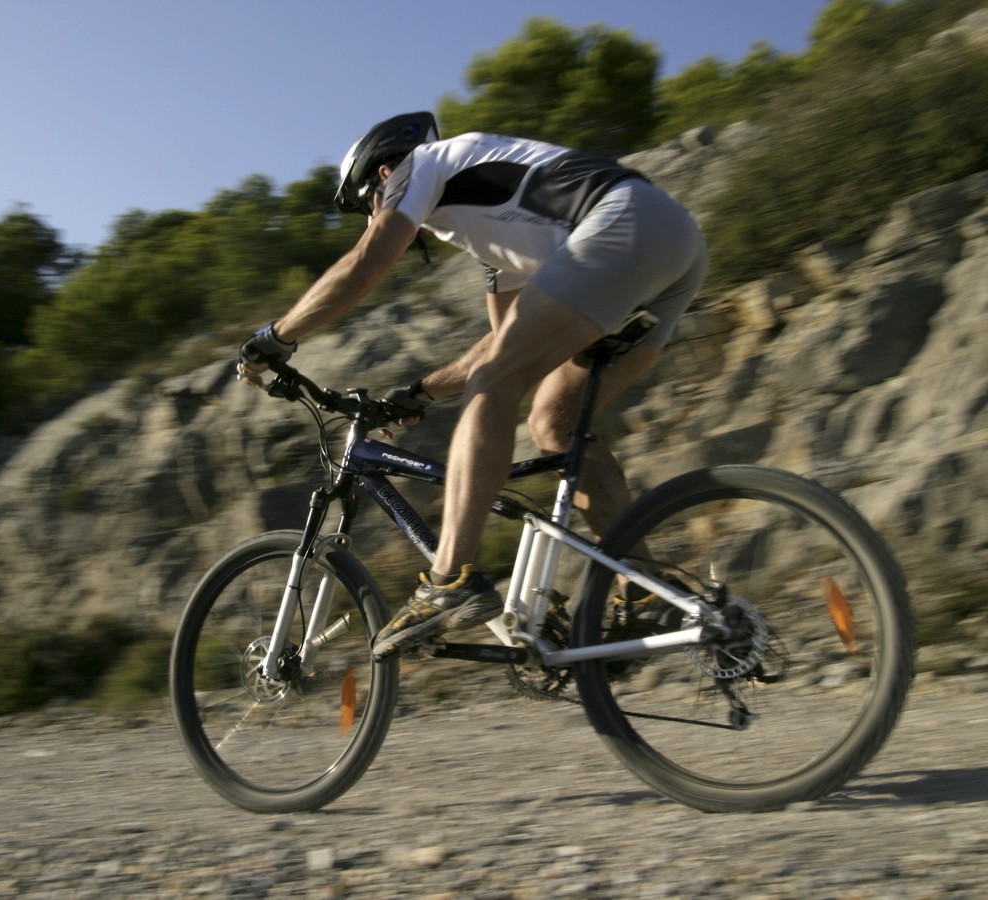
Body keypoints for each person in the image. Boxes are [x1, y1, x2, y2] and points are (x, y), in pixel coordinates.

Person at [236, 111, 708, 660]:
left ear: (383, 174)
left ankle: (448, 583)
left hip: (620, 223)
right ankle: (642, 587)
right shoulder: (497, 234)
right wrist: (420, 392)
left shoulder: (420, 166)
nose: (373, 215)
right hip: (674, 242)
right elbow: (504, 340)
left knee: (493, 387)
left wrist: (277, 336)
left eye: (368, 203)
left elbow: (366, 266)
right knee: (553, 421)